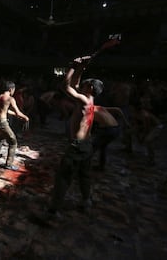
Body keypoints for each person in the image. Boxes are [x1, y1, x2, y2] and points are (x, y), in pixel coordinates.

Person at [47, 56, 104, 216]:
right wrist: (81, 67)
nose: (82, 84)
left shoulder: (84, 100)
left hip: (77, 146)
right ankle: (86, 201)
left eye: (86, 83)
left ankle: (54, 210)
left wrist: (72, 66)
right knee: (84, 175)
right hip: (87, 144)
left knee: (63, 177)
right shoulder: (89, 99)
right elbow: (75, 84)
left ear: (90, 87)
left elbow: (65, 86)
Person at [0, 81, 29, 171]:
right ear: (11, 89)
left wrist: (15, 115)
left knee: (1, 137)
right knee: (13, 141)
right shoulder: (10, 99)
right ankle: (9, 164)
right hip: (2, 122)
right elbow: (18, 112)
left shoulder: (0, 97)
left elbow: (3, 110)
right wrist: (25, 117)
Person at [92, 105, 129, 170]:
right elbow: (118, 109)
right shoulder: (99, 108)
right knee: (103, 147)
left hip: (106, 130)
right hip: (115, 129)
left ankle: (84, 167)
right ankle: (101, 166)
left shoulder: (88, 110)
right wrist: (126, 123)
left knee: (92, 148)